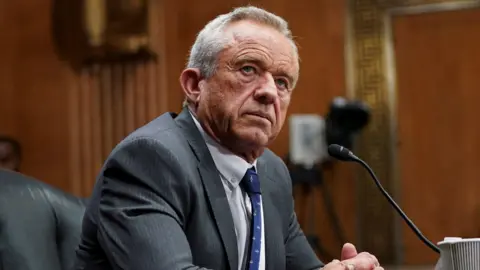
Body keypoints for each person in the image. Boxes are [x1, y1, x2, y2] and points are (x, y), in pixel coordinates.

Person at [74, 6, 383, 270]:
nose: (268, 92)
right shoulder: (149, 160)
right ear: (195, 84)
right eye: (248, 69)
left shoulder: (271, 172)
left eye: (282, 81)